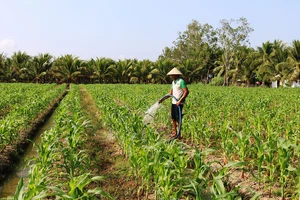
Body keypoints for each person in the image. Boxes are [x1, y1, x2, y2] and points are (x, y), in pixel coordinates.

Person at [158, 67, 189, 138]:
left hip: (179, 103)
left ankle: (179, 134)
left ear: (176, 75)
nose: (171, 76)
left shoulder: (181, 81)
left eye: (172, 75)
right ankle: (175, 132)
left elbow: (186, 92)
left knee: (178, 119)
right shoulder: (173, 82)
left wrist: (180, 100)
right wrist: (162, 99)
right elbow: (171, 93)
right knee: (173, 118)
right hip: (174, 102)